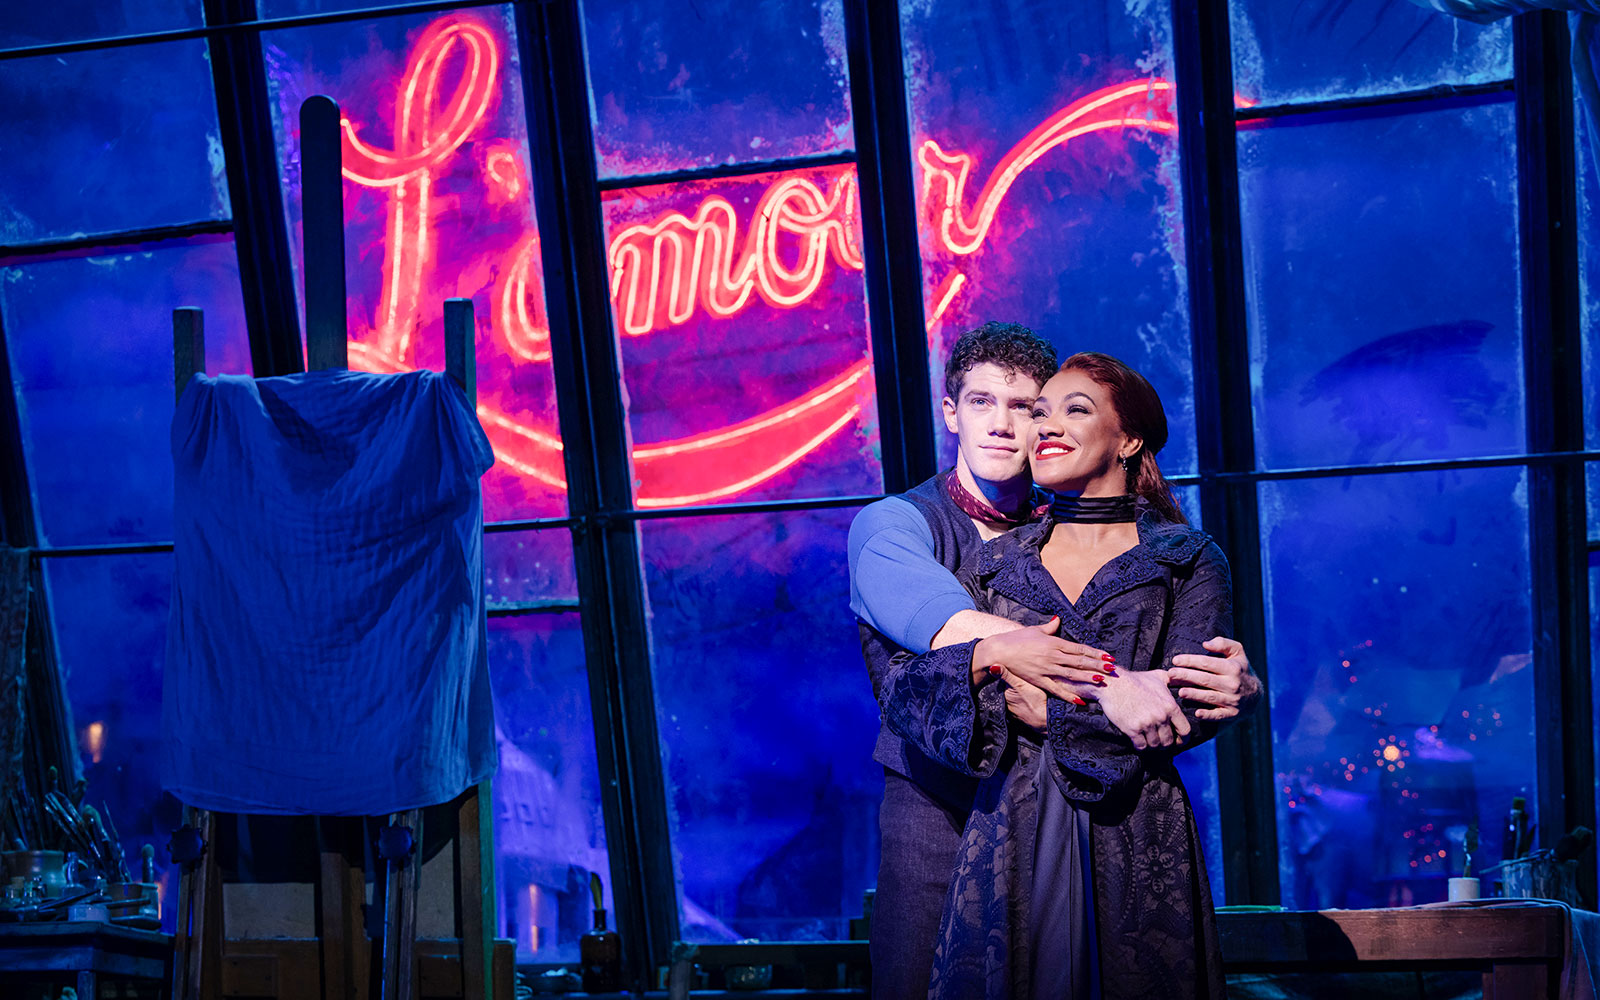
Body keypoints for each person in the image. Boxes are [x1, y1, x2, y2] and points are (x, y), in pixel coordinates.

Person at [849, 324, 1258, 999]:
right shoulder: (896, 526)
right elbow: (955, 631)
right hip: (937, 811)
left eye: (1027, 407)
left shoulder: (1088, 526)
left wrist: (1233, 685)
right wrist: (1113, 684)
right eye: (982, 402)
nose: (1005, 426)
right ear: (950, 412)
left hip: (1073, 802)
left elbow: (1179, 660)